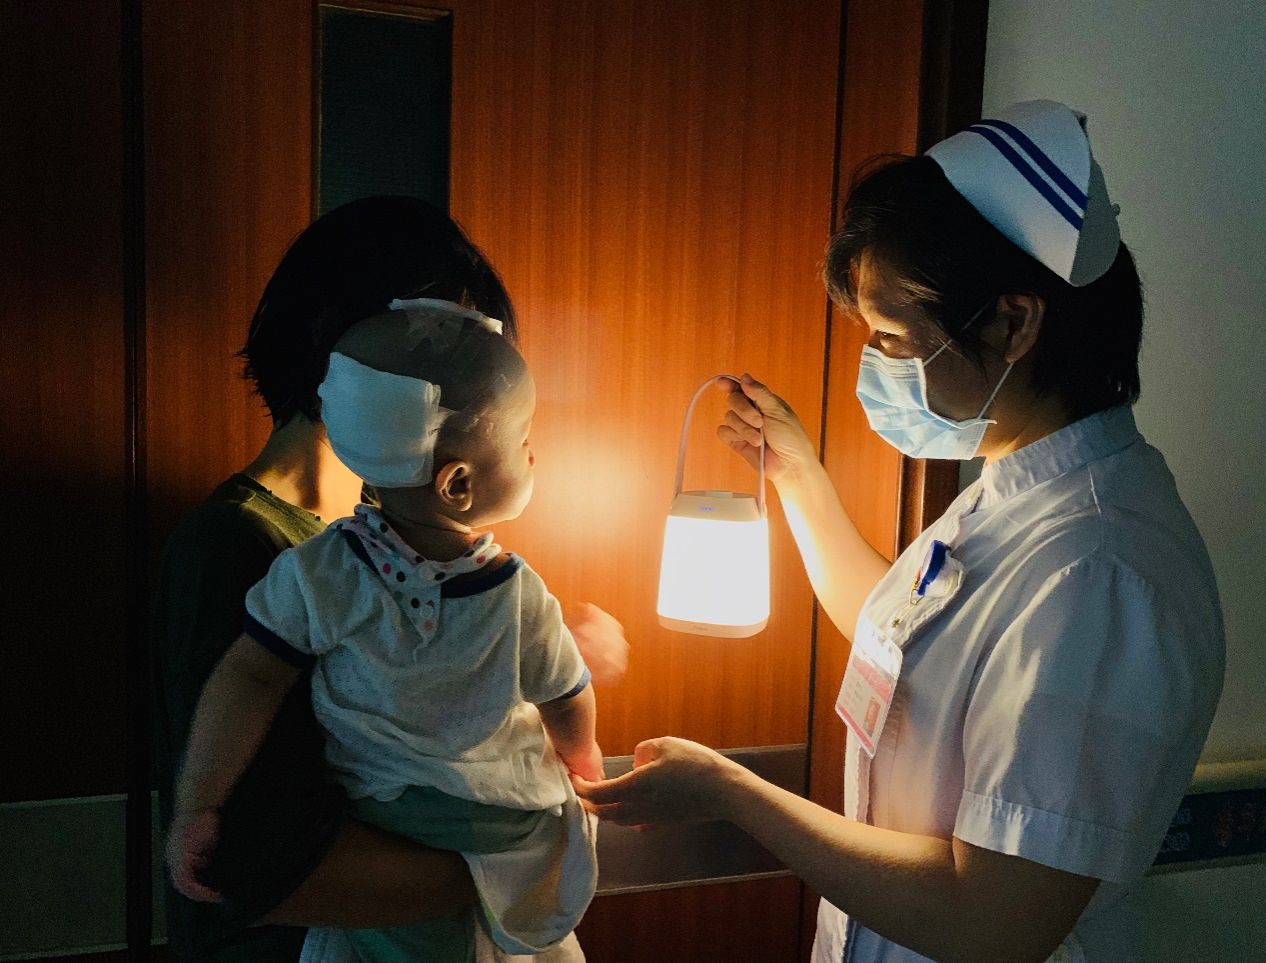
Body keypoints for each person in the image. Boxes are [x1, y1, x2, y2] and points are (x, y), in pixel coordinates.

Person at [574, 100, 1224, 963]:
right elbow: (905, 643)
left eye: (891, 337)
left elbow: (992, 918)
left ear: (1012, 322)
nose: (875, 366)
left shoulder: (1098, 570)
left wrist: (733, 792)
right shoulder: (1017, 490)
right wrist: (797, 478)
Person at [152, 196, 628, 962]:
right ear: (341, 343)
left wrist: (519, 661)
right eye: (442, 338)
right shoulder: (243, 551)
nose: (468, 370)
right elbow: (264, 863)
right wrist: (525, 865)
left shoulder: (404, 539)